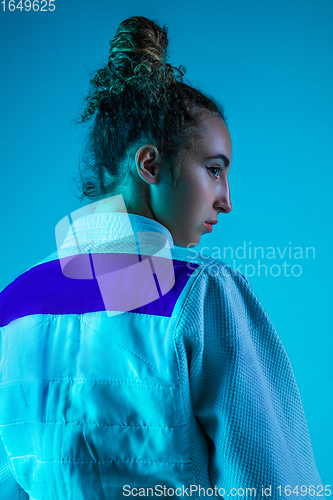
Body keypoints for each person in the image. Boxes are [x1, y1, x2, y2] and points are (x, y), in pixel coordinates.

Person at [0, 15, 323, 500]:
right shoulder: (201, 291)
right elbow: (274, 485)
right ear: (150, 164)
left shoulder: (14, 303)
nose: (226, 199)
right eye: (214, 170)